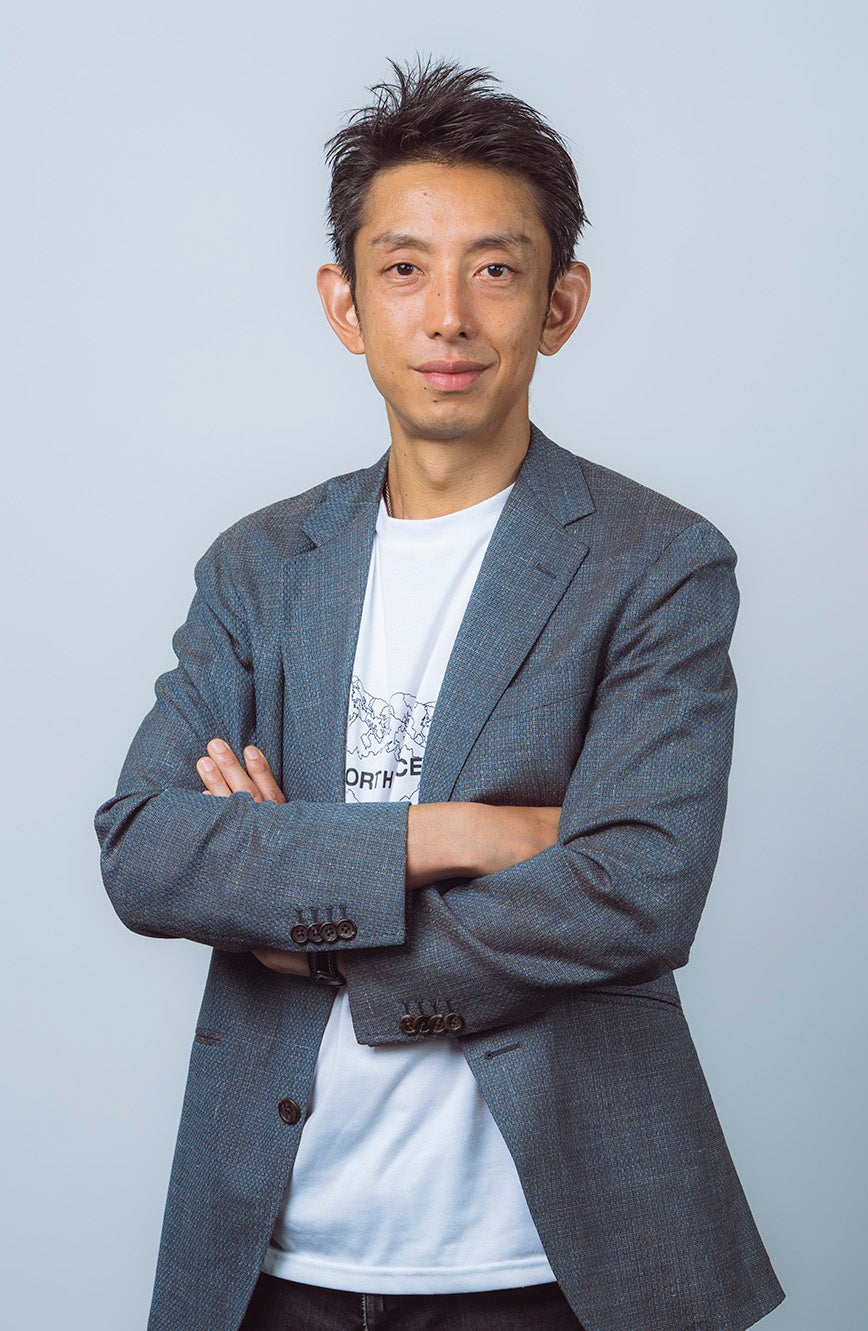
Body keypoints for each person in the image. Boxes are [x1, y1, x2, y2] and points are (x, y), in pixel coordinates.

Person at [95, 56, 786, 1331]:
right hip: (271, 1255)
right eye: (404, 268)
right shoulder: (259, 566)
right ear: (345, 303)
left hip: (545, 1261)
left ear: (560, 303)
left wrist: (302, 907)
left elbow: (633, 888)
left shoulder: (656, 561)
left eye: (495, 269)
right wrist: (459, 833)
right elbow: (146, 848)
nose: (448, 317)